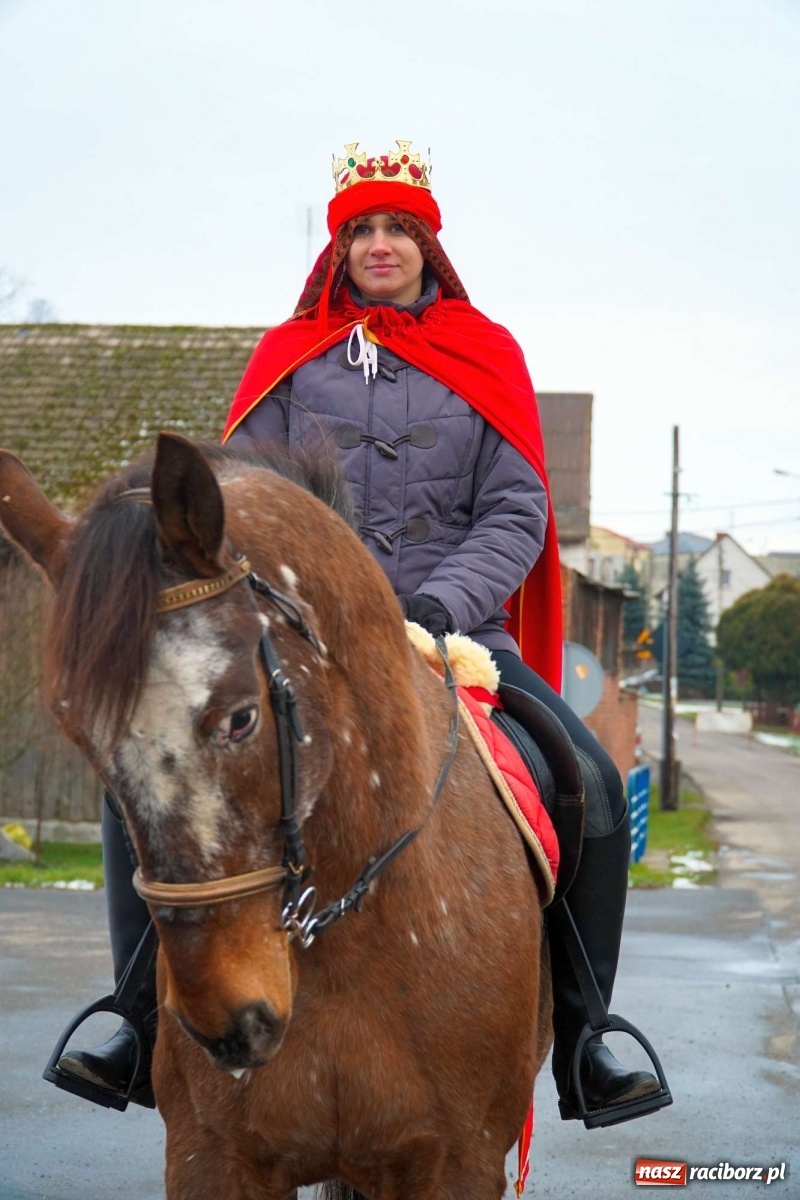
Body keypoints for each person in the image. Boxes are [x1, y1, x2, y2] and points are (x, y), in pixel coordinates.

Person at [52, 140, 669, 1127]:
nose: (379, 244)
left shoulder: (488, 355)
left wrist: (433, 607)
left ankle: (587, 1038)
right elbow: (234, 509)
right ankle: (133, 1022)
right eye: (360, 229)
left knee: (586, 779)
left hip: (451, 635)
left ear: (427, 242)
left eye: (397, 227)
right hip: (296, 637)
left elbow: (514, 512)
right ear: (336, 246)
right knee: (154, 779)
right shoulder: (287, 361)